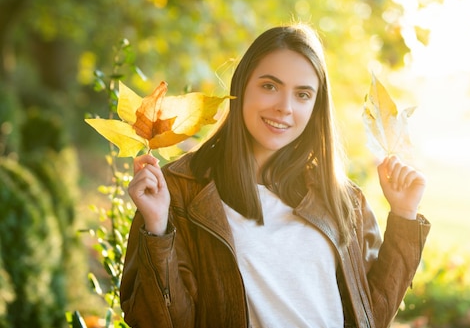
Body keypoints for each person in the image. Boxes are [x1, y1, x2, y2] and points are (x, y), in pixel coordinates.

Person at [120, 23, 430, 328]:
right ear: (242, 86)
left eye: (303, 95)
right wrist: (158, 230)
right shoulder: (180, 192)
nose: (285, 107)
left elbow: (370, 317)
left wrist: (403, 214)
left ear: (316, 107)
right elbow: (159, 321)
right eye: (270, 86)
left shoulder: (343, 199)